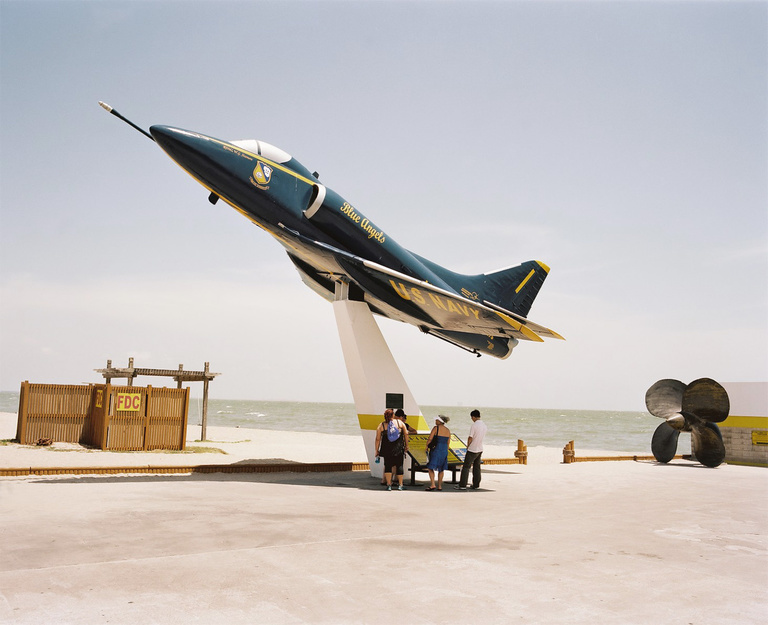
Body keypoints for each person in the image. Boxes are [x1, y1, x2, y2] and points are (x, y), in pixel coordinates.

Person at [374, 408, 409, 491]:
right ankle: (400, 485)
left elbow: (378, 439)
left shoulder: (381, 425)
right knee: (399, 465)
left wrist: (377, 450)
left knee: (388, 466)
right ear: (393, 415)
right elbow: (406, 433)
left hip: (386, 448)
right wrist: (406, 445)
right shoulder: (399, 422)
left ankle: (389, 484)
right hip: (398, 448)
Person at [455, 409, 487, 490]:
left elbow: (470, 437)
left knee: (466, 467)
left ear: (473, 417)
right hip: (480, 448)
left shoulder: (474, 425)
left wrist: (468, 445)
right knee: (477, 467)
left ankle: (462, 485)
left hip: (473, 448)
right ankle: (476, 485)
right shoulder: (484, 425)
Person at [424, 415, 451, 491]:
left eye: (436, 420)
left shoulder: (436, 428)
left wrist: (426, 446)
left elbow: (430, 438)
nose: (435, 421)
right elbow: (448, 442)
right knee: (441, 469)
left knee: (430, 467)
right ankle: (439, 486)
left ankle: (432, 484)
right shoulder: (448, 430)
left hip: (436, 450)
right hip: (444, 450)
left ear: (440, 421)